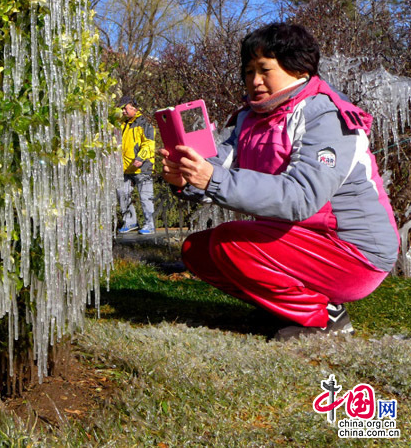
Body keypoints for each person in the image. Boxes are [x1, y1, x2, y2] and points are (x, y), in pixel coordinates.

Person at [161, 22, 399, 341]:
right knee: (198, 250)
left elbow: (301, 198)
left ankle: (324, 319)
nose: (254, 81)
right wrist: (188, 178)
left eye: (264, 69)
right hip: (298, 240)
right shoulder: (249, 118)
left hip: (355, 252)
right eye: (248, 71)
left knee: (229, 241)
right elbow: (219, 165)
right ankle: (284, 308)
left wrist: (213, 179)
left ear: (298, 69)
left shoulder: (327, 117)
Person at [117, 96, 156, 235]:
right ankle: (130, 222)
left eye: (125, 108)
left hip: (142, 166)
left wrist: (141, 157)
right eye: (122, 109)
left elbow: (149, 143)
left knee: (145, 196)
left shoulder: (144, 122)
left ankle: (149, 224)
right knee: (123, 194)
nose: (123, 111)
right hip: (125, 167)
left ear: (134, 107)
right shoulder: (123, 123)